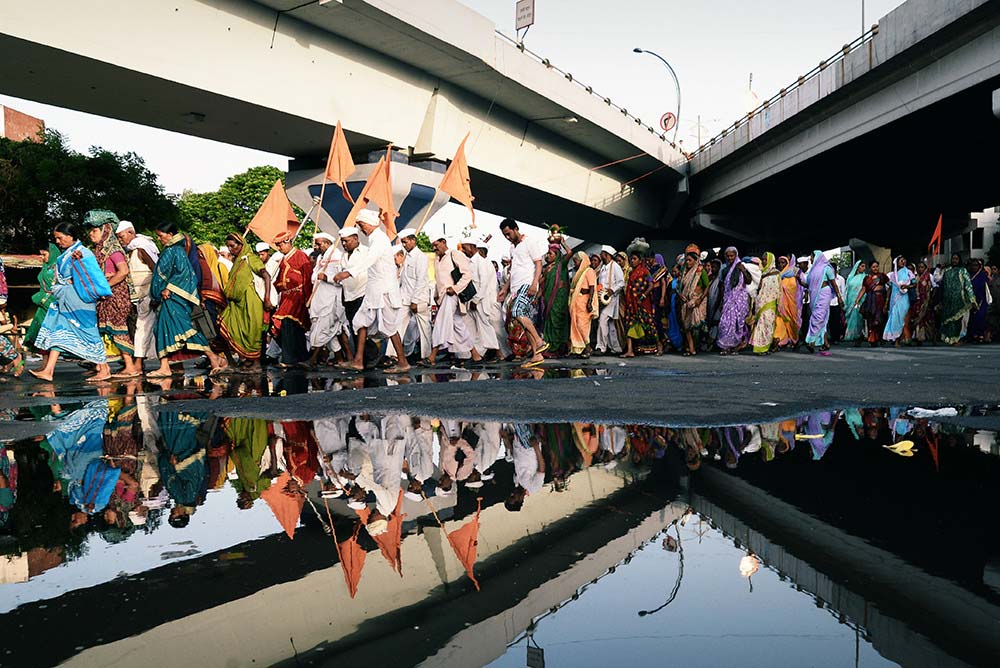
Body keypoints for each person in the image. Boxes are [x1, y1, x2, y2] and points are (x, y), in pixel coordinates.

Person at [31, 222, 110, 381]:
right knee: (58, 333)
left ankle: (104, 369)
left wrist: (79, 264)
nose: (58, 242)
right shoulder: (67, 254)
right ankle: (49, 371)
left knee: (89, 332)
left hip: (80, 301)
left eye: (60, 238)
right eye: (56, 239)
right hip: (66, 299)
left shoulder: (83, 253)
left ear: (70, 236)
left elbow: (93, 275)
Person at [148, 221, 225, 377]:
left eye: (161, 236)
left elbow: (184, 274)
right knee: (161, 328)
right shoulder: (170, 250)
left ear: (170, 235)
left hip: (175, 297)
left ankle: (212, 356)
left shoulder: (176, 250)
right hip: (167, 299)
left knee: (185, 329)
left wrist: (169, 287)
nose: (159, 239)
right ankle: (164, 366)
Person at [344, 209, 411, 373]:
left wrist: (348, 272)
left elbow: (369, 260)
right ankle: (358, 360)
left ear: (368, 223)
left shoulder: (380, 240)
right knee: (361, 322)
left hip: (384, 291)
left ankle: (403, 362)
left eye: (361, 225)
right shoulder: (375, 239)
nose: (361, 229)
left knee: (390, 327)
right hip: (374, 292)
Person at [83, 210, 142, 379]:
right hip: (105, 296)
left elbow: (123, 271)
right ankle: (105, 368)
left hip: (115, 296)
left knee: (118, 329)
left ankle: (129, 367)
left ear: (105, 230)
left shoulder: (113, 249)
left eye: (94, 230)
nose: (90, 234)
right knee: (107, 331)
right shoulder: (99, 251)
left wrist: (104, 287)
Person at [424, 236, 483, 366]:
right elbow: (439, 279)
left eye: (436, 244)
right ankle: (476, 355)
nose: (434, 248)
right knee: (459, 326)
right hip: (442, 297)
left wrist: (455, 289)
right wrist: (435, 295)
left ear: (443, 242)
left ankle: (432, 356)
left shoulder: (454, 254)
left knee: (441, 322)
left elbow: (467, 275)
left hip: (452, 295)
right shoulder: (436, 259)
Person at [498, 219, 548, 367]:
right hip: (515, 288)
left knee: (517, 311)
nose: (507, 237)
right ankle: (536, 354)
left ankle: (539, 341)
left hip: (527, 284)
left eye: (508, 233)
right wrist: (505, 288)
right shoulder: (513, 248)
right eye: (504, 235)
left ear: (515, 229)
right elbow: (513, 270)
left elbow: (538, 263)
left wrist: (535, 283)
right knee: (522, 319)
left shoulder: (529, 242)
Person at [218, 232, 271, 371]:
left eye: (232, 246)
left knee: (252, 332)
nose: (230, 249)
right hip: (238, 304)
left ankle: (256, 364)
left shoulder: (251, 258)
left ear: (241, 245)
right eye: (228, 247)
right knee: (227, 326)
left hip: (252, 302)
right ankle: (244, 361)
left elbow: (266, 276)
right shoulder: (237, 260)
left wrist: (267, 298)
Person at [115, 220, 160, 370]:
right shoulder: (132, 250)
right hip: (139, 297)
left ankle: (138, 365)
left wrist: (155, 294)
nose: (121, 241)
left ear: (131, 233)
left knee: (143, 328)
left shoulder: (141, 248)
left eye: (122, 237)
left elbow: (156, 271)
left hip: (149, 294)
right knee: (143, 329)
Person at [270, 232, 313, 367]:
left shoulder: (300, 256)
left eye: (280, 244)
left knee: (288, 323)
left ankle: (289, 359)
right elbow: (279, 280)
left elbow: (307, 277)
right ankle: (298, 357)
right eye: (277, 245)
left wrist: (308, 297)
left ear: (288, 242)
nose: (279, 248)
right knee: (287, 326)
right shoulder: (283, 259)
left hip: (297, 296)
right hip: (286, 297)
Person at [308, 231, 351, 365]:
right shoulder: (321, 257)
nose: (316, 247)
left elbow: (343, 279)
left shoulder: (337, 256)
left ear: (327, 243)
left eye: (319, 244)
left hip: (332, 299)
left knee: (326, 329)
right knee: (332, 332)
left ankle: (312, 360)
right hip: (321, 300)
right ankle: (341, 358)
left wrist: (327, 278)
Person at [461, 235, 502, 359]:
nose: (463, 251)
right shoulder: (469, 262)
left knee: (485, 328)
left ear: (472, 247)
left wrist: (476, 299)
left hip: (480, 301)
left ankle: (498, 353)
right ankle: (477, 354)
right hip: (471, 301)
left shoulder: (482, 262)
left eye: (465, 248)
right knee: (474, 330)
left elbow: (483, 283)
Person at [396, 228, 432, 361]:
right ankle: (393, 356)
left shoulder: (420, 257)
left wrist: (415, 300)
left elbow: (421, 280)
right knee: (397, 327)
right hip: (405, 298)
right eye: (402, 243)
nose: (404, 245)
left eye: (405, 242)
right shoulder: (406, 257)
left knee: (424, 328)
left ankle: (427, 356)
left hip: (418, 299)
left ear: (413, 240)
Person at [22, 242, 59, 362]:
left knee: (51, 335)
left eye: (44, 254)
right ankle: (44, 365)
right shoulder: (46, 267)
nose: (42, 258)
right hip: (43, 305)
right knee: (41, 334)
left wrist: (43, 298)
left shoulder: (58, 267)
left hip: (52, 305)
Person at [621, 241, 656, 358]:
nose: (632, 261)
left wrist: (643, 296)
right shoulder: (631, 272)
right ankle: (630, 350)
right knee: (630, 325)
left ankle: (658, 345)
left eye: (635, 259)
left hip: (643, 303)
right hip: (631, 303)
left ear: (640, 260)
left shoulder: (645, 271)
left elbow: (651, 285)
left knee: (649, 325)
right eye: (631, 259)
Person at [803, 250, 843, 353]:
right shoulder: (812, 271)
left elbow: (834, 283)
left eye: (812, 257)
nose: (811, 259)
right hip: (814, 296)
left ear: (817, 257)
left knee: (818, 317)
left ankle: (811, 341)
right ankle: (826, 343)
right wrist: (799, 280)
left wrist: (839, 297)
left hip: (824, 294)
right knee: (822, 319)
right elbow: (807, 285)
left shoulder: (827, 268)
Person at [538, 239, 571, 356]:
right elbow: (541, 283)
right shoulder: (547, 268)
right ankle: (551, 347)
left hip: (558, 300)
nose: (548, 255)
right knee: (550, 323)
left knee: (558, 322)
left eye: (550, 254)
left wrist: (562, 242)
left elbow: (570, 253)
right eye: (548, 253)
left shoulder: (561, 264)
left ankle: (558, 348)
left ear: (557, 256)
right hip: (548, 300)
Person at [331, 226, 368, 333]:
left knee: (360, 327)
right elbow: (338, 275)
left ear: (356, 238)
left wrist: (346, 274)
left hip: (362, 295)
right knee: (353, 328)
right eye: (342, 241)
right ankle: (363, 349)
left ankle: (369, 350)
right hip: (347, 297)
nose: (343, 244)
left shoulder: (366, 252)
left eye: (346, 241)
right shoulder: (343, 255)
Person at [717, 247, 751, 355]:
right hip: (728, 300)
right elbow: (722, 286)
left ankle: (735, 347)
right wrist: (722, 301)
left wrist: (743, 271)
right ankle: (725, 346)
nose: (730, 258)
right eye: (728, 256)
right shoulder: (725, 269)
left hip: (739, 300)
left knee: (737, 324)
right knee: (725, 323)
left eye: (732, 256)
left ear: (736, 256)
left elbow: (749, 281)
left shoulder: (741, 266)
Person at [594, 245, 625, 355]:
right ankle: (616, 348)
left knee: (602, 320)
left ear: (607, 255)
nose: (601, 255)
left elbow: (621, 282)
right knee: (611, 324)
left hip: (611, 299)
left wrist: (612, 290)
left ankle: (601, 347)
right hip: (603, 299)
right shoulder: (603, 267)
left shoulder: (615, 266)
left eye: (602, 253)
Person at [678, 251, 709, 356]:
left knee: (696, 325)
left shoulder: (701, 271)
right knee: (686, 325)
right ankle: (691, 348)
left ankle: (695, 346)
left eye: (690, 260)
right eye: (686, 260)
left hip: (697, 301)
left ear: (696, 261)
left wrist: (699, 299)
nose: (687, 262)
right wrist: (680, 295)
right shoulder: (684, 272)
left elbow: (706, 287)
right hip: (685, 301)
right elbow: (679, 287)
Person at [568, 251, 597, 356]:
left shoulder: (589, 271)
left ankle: (588, 348)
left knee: (582, 326)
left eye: (576, 261)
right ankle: (581, 349)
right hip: (577, 302)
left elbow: (592, 287)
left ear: (582, 261)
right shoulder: (579, 273)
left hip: (584, 302)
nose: (575, 264)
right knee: (576, 324)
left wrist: (590, 303)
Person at [750, 252, 780, 355]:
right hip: (760, 303)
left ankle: (765, 348)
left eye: (765, 259)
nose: (763, 261)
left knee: (768, 326)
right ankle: (759, 349)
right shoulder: (761, 273)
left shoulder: (776, 274)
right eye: (762, 259)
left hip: (771, 303)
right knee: (761, 326)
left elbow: (779, 290)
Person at [855, 260, 889, 347]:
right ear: (870, 268)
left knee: (879, 320)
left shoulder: (882, 276)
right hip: (870, 301)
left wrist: (887, 300)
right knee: (871, 320)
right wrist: (858, 299)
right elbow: (863, 289)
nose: (875, 268)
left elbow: (890, 287)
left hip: (880, 300)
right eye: (873, 267)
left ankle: (880, 338)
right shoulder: (867, 278)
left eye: (877, 266)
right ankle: (872, 339)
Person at [884, 255, 915, 346]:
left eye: (904, 260)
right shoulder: (892, 275)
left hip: (904, 298)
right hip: (894, 299)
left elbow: (914, 284)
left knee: (903, 318)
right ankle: (896, 340)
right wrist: (886, 302)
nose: (903, 262)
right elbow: (889, 288)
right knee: (894, 318)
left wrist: (907, 286)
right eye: (901, 261)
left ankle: (904, 338)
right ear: (896, 263)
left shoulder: (908, 272)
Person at [773, 256, 802, 349]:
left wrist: (784, 287)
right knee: (779, 321)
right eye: (779, 263)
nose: (781, 265)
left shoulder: (791, 274)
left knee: (791, 321)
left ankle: (793, 339)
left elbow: (793, 288)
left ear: (787, 263)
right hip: (780, 303)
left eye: (783, 263)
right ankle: (781, 339)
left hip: (790, 302)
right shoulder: (777, 274)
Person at [909, 261, 936, 344]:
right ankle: (919, 338)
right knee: (918, 319)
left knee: (927, 319)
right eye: (919, 267)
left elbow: (934, 287)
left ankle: (933, 338)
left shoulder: (929, 276)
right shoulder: (916, 277)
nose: (920, 269)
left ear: (925, 268)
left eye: (922, 267)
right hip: (918, 301)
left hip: (926, 301)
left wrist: (931, 298)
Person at [842, 261, 867, 344]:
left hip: (860, 300)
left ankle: (858, 335)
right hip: (850, 301)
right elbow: (847, 290)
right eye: (862, 266)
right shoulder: (850, 277)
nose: (864, 268)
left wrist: (859, 299)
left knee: (858, 317)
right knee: (851, 317)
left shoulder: (865, 277)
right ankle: (850, 335)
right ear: (857, 267)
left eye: (864, 266)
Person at [967, 259, 990, 343]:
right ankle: (974, 335)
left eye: (976, 265)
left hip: (981, 300)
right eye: (973, 265)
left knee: (980, 316)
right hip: (970, 300)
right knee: (972, 318)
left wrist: (978, 300)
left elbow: (983, 288)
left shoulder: (982, 275)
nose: (974, 267)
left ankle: (981, 335)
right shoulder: (969, 275)